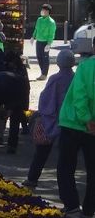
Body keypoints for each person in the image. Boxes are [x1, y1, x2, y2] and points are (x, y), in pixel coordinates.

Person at [56, 38, 95, 218]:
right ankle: (89, 209)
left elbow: (80, 94)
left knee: (66, 166)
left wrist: (85, 118)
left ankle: (71, 206)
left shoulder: (86, 67)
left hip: (73, 122)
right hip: (91, 127)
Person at [25, 48, 76, 189]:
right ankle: (65, 186)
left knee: (41, 152)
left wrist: (43, 114)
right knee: (66, 157)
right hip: (71, 121)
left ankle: (32, 178)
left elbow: (46, 99)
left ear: (59, 62)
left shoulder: (55, 79)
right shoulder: (76, 78)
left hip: (52, 119)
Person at [32, 4, 57, 79]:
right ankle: (42, 72)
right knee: (39, 57)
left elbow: (51, 34)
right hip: (38, 41)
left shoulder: (51, 22)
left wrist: (49, 44)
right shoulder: (39, 20)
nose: (42, 11)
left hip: (45, 42)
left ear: (48, 12)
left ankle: (44, 74)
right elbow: (36, 29)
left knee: (45, 58)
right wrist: (33, 37)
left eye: (44, 10)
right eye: (42, 10)